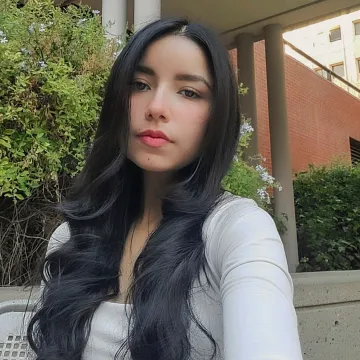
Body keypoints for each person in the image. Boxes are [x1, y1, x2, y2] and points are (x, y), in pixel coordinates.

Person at [27, 18, 303, 360]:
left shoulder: (239, 231)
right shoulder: (71, 238)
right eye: (140, 84)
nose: (155, 107)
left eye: (189, 92)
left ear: (218, 117)